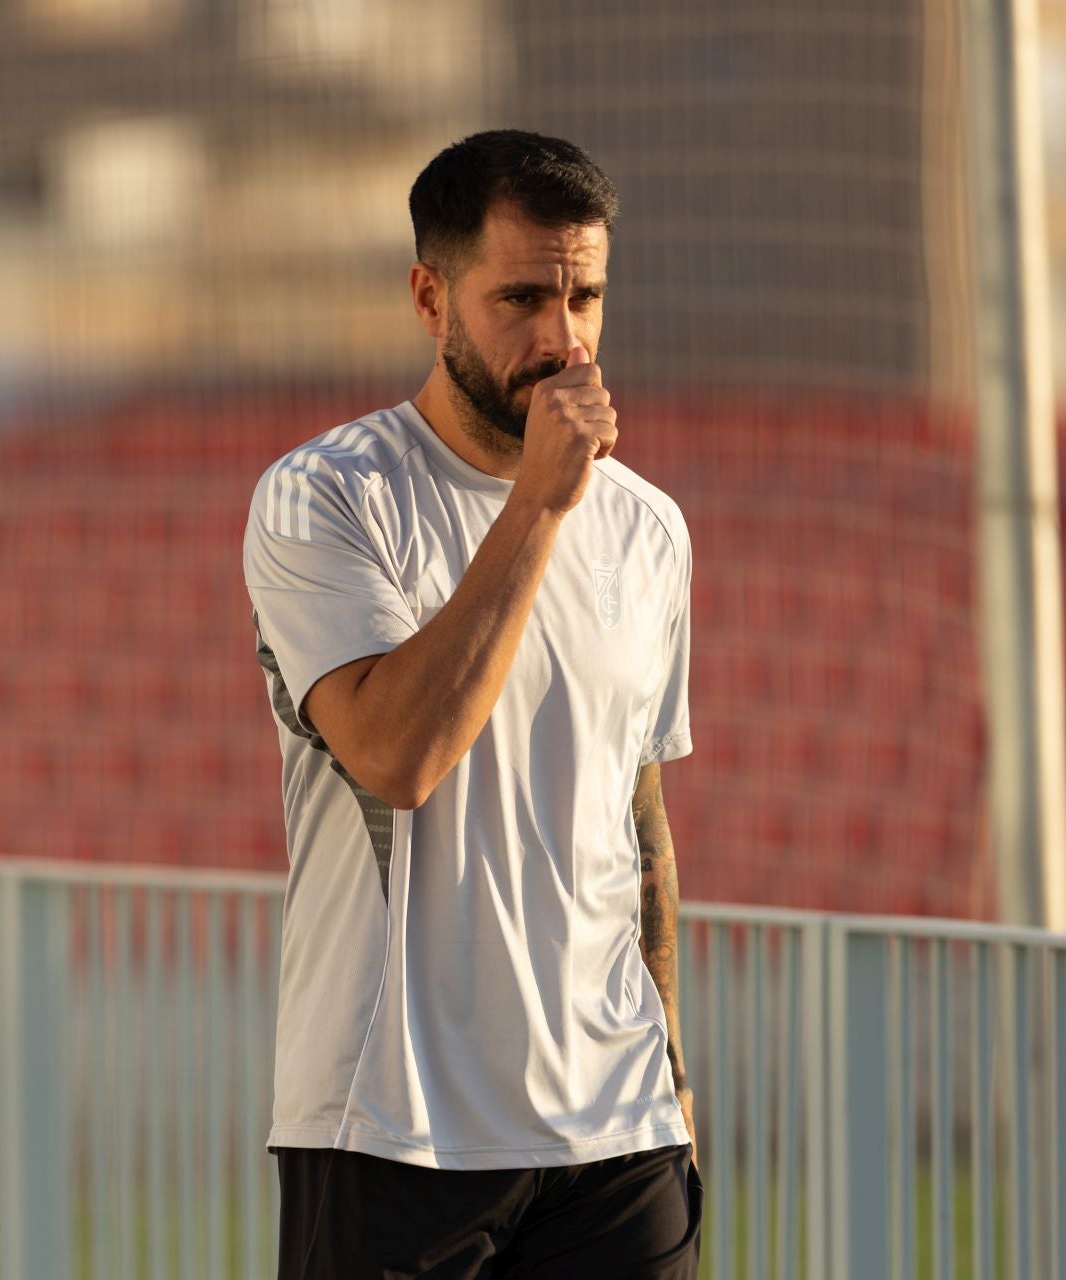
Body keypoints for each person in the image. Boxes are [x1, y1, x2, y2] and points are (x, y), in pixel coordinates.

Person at [243, 129, 700, 1279]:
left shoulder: (648, 527)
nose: (563, 337)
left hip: (619, 1126)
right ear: (429, 295)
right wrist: (541, 504)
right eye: (522, 298)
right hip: (396, 1123)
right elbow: (399, 752)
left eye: (585, 295)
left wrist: (674, 1072)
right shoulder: (325, 499)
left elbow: (637, 814)